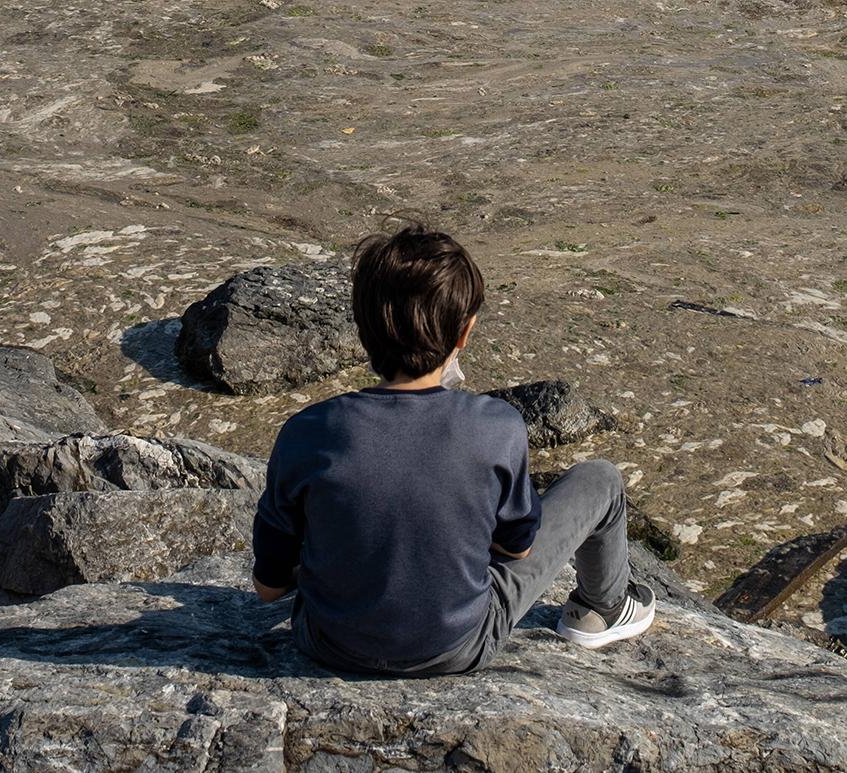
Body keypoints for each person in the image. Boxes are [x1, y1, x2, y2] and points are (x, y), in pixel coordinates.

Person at [250, 224, 655, 675]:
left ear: (363, 330)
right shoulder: (496, 427)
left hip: (326, 645)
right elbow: (517, 549)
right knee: (599, 478)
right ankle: (603, 608)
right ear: (464, 332)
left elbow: (268, 589)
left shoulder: (307, 431)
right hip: (459, 646)